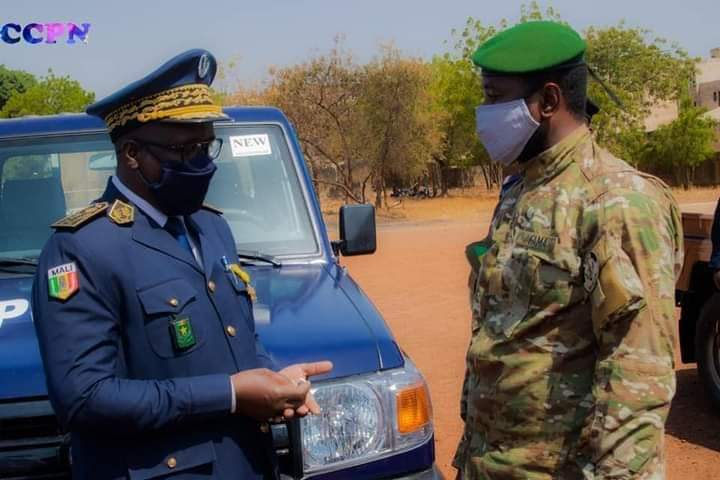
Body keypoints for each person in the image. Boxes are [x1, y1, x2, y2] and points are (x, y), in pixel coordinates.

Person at [32, 49, 332, 480]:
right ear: (132, 153)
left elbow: (235, 341)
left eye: (207, 146)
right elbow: (84, 398)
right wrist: (230, 394)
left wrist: (275, 382)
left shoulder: (211, 228)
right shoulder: (82, 249)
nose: (203, 164)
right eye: (184, 150)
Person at [453, 22, 683, 479]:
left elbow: (637, 373)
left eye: (495, 96)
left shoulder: (616, 201)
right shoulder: (522, 190)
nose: (484, 113)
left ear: (549, 102)